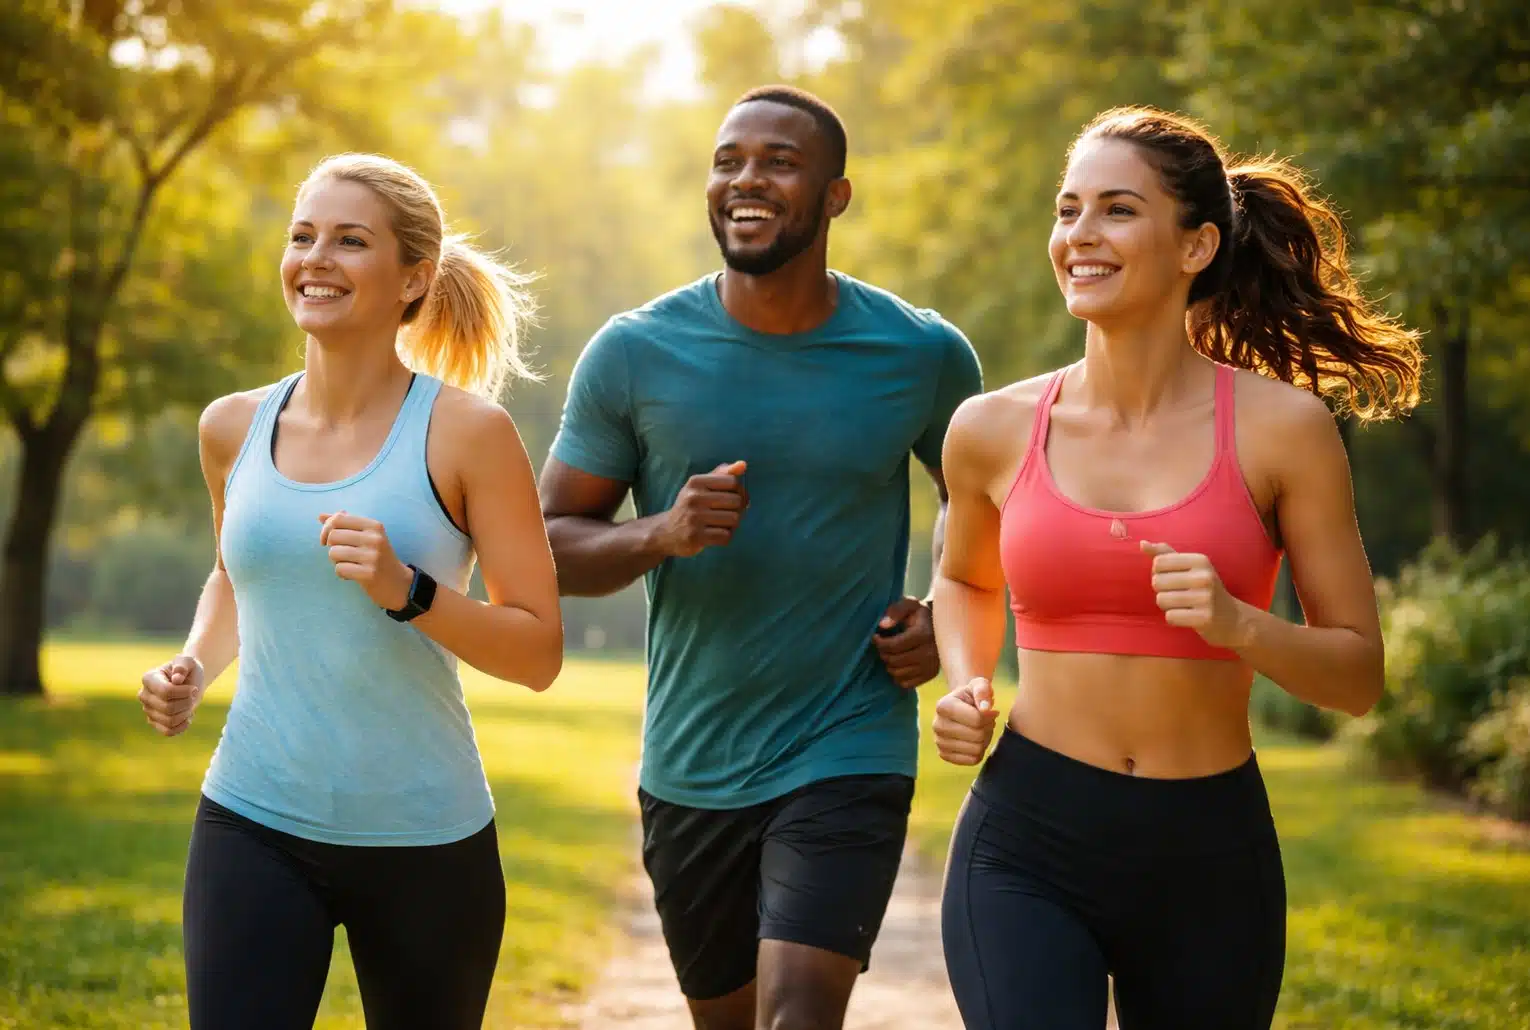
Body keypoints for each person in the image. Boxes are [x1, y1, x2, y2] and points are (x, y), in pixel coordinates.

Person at [930, 106, 1425, 1030]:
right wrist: (966, 684)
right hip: (1027, 836)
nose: (1080, 235)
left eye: (1116, 210)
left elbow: (1357, 675)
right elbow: (963, 579)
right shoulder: (991, 428)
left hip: (1210, 854)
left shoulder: (1286, 430)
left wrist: (1241, 625)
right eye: (1067, 208)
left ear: (1197, 245)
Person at [538, 85, 982, 1029]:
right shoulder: (634, 352)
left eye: (779, 161)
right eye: (728, 159)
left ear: (835, 196)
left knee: (801, 1013)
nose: (746, 179)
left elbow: (983, 507)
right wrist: (659, 534)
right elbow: (547, 546)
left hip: (848, 736)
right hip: (691, 759)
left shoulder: (921, 354)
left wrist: (944, 615)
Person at [135, 153, 563, 1030]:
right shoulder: (233, 426)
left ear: (414, 278)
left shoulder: (468, 434)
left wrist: (409, 591)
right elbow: (233, 575)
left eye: (349, 240)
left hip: (426, 838)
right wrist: (191, 665)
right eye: (303, 236)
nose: (315, 258)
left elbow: (538, 651)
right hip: (253, 816)